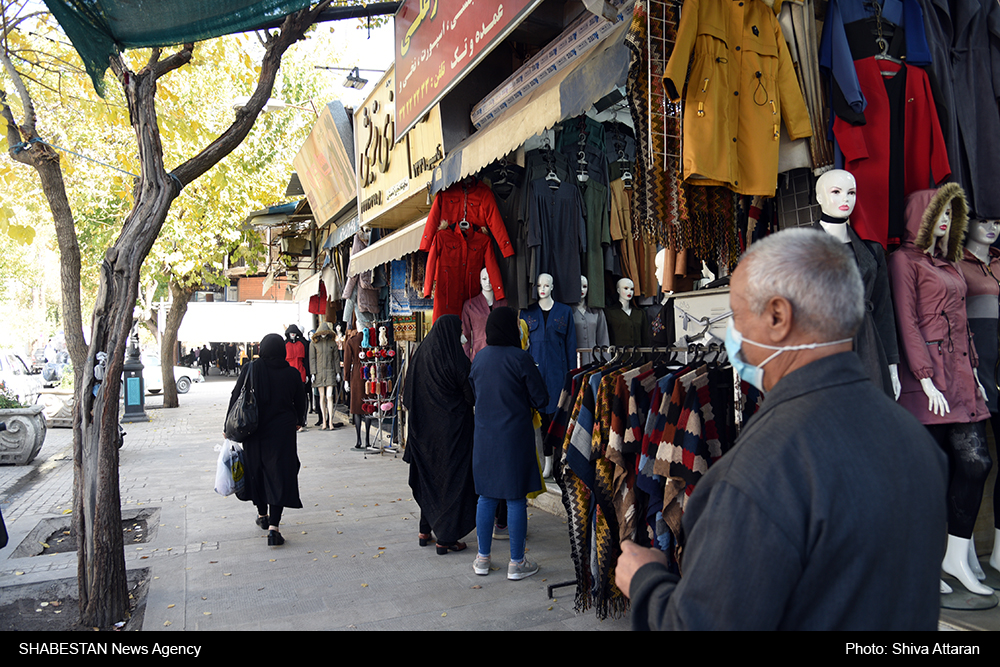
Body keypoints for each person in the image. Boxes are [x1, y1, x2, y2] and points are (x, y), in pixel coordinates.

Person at [616, 228, 949, 630]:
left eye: (737, 317)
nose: (733, 336)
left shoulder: (759, 473)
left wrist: (645, 582)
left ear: (777, 316)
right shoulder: (917, 441)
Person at [468, 307, 549, 580]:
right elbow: (541, 399)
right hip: (514, 438)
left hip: (484, 439)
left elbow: (474, 394)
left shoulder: (479, 359)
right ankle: (516, 563)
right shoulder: (520, 358)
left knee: (486, 497)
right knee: (515, 499)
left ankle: (482, 559)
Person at [402, 315, 477, 554]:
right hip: (452, 434)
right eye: (460, 332)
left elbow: (407, 395)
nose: (462, 336)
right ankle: (446, 537)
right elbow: (470, 396)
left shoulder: (421, 354)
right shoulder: (455, 358)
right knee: (451, 484)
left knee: (428, 479)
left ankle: (425, 528)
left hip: (423, 433)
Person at [227, 333, 305, 547]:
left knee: (257, 471)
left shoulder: (251, 368)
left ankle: (262, 515)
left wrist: (228, 425)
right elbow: (301, 399)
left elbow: (236, 396)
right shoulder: (291, 373)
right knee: (278, 473)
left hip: (253, 430)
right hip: (282, 433)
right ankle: (274, 528)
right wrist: (299, 420)